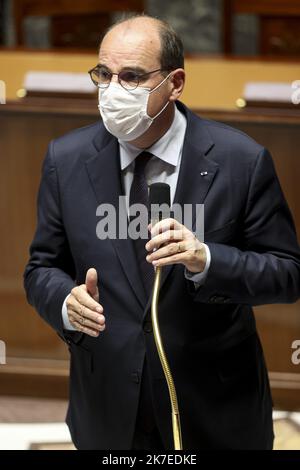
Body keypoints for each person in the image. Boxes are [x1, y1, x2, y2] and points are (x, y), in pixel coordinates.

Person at [24, 14, 300, 450]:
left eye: (132, 76)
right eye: (104, 74)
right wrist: (64, 301)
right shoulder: (66, 158)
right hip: (109, 405)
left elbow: (287, 275)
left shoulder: (241, 161)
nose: (114, 90)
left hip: (215, 405)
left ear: (175, 82)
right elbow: (42, 267)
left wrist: (206, 259)